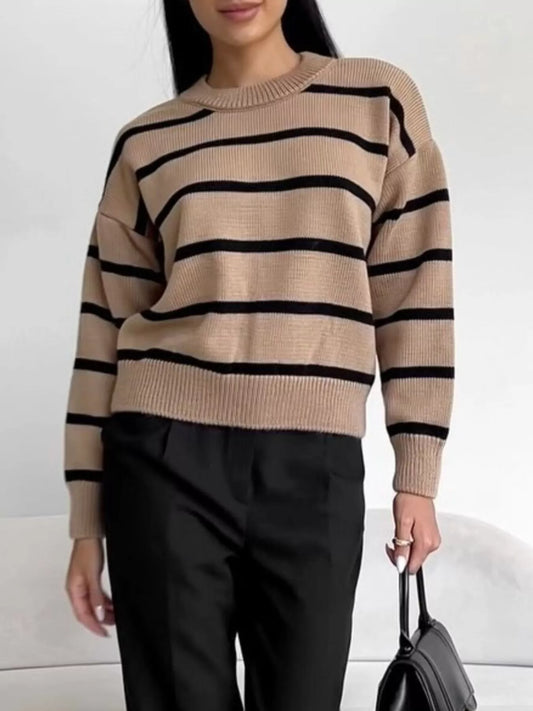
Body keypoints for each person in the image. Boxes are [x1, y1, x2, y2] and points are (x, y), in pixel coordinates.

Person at [64, 0, 453, 709]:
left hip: (315, 464)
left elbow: (414, 294)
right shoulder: (147, 142)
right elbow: (102, 338)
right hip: (161, 460)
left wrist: (417, 475)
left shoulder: (377, 101)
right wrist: (86, 525)